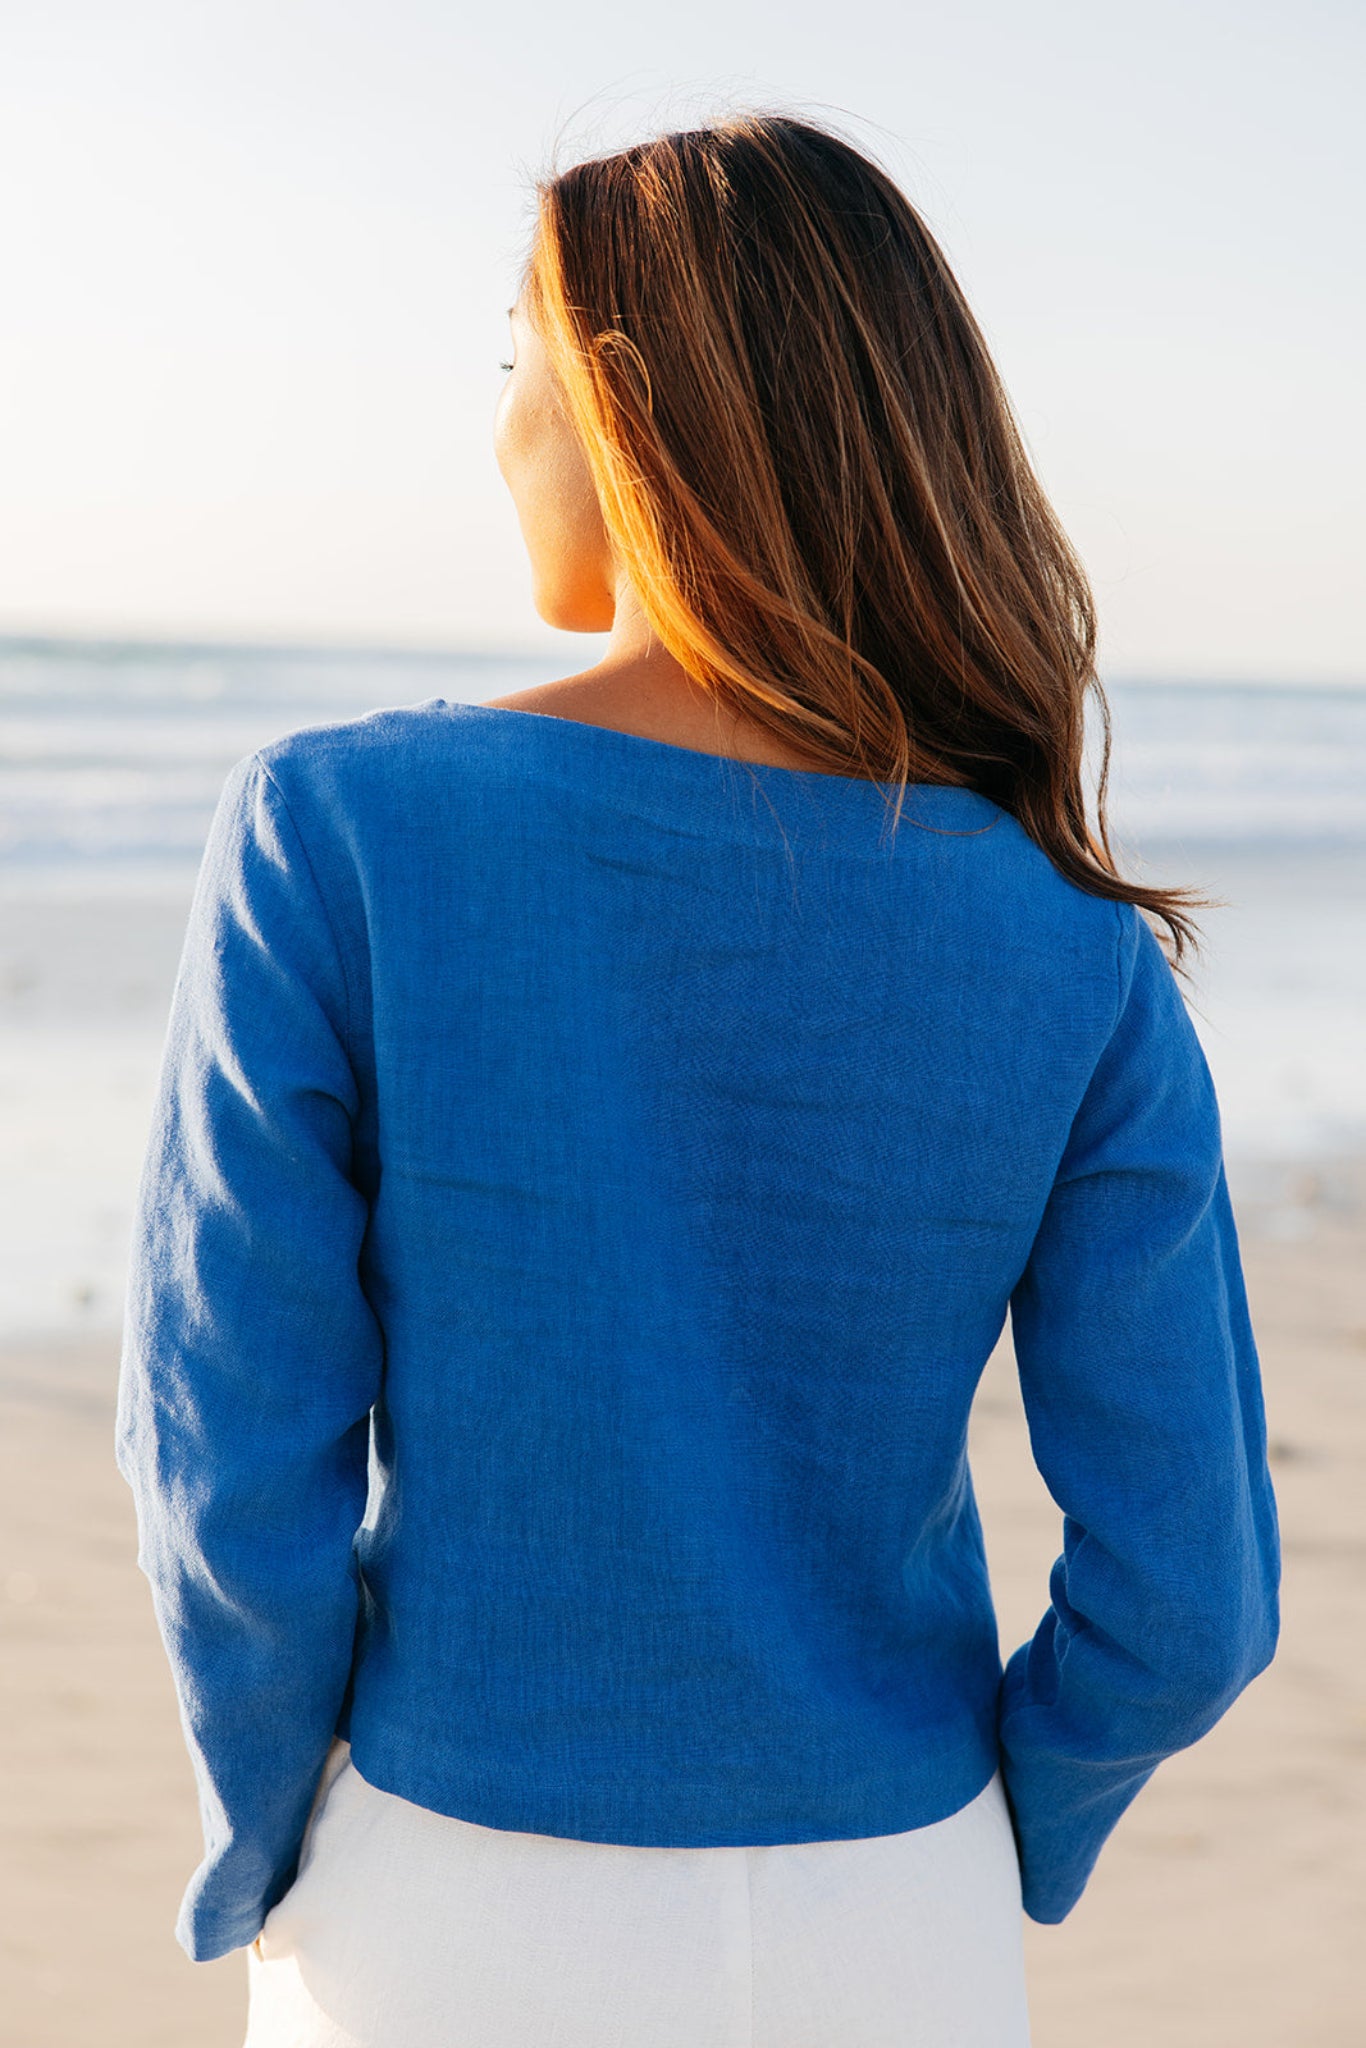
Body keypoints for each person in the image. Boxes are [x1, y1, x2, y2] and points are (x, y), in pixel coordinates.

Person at [115, 112, 1281, 2048]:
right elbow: (1186, 1601)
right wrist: (1009, 1824)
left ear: (628, 414)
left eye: (517, 367)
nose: (498, 435)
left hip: (447, 1888)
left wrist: (265, 1829)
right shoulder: (1071, 949)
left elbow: (230, 1468)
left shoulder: (344, 830)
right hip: (898, 1912)